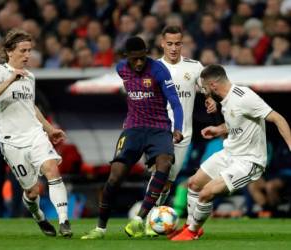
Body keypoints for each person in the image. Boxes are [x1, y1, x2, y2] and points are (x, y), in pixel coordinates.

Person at [171, 64, 291, 241]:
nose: (205, 92)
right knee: (194, 184)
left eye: (205, 88)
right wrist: (218, 130)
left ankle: (193, 232)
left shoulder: (245, 97)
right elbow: (236, 123)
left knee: (205, 194)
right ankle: (189, 226)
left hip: (248, 161)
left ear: (213, 86)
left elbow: (277, 118)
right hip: (229, 153)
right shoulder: (226, 100)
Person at [81, 36, 184, 240]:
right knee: (115, 175)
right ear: (126, 57)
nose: (138, 63)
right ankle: (100, 229)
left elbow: (176, 102)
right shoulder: (121, 69)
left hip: (159, 128)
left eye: (142, 58)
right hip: (133, 128)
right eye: (134, 59)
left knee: (164, 165)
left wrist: (178, 128)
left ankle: (139, 219)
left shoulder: (158, 70)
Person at [0, 29, 72, 237]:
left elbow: (31, 106)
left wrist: (49, 129)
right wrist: (10, 79)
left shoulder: (30, 77)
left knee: (51, 168)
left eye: (29, 50)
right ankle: (38, 216)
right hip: (11, 141)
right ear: (10, 51)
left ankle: (64, 221)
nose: (27, 55)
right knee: (31, 191)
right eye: (23, 50)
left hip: (35, 135)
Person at [144, 26, 216, 236]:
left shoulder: (194, 67)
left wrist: (210, 99)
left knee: (167, 181)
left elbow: (205, 89)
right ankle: (146, 219)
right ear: (162, 43)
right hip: (158, 130)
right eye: (169, 44)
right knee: (159, 173)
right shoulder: (152, 68)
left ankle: (154, 217)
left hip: (184, 133)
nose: (174, 48)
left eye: (177, 44)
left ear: (182, 44)